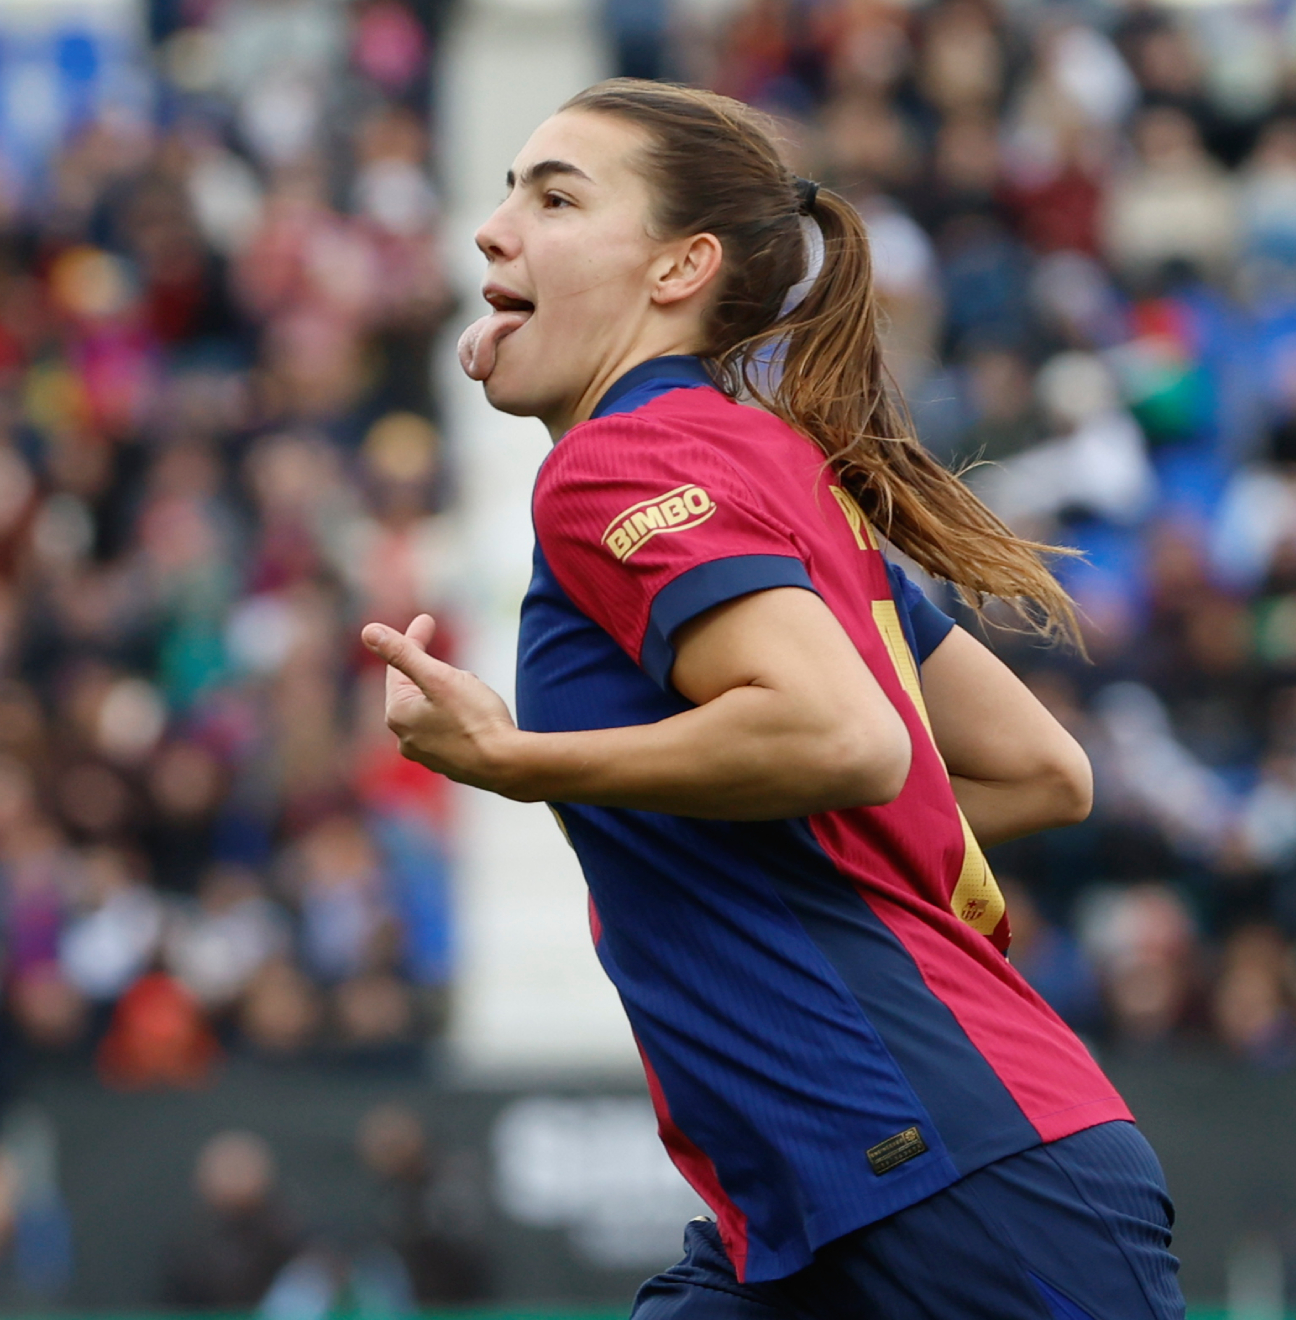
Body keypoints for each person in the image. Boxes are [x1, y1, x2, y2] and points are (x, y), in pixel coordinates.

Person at [360, 80, 1185, 1319]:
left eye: (557, 196)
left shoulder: (621, 460)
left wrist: (516, 758)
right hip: (854, 1193)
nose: (494, 227)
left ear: (678, 269)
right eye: (507, 190)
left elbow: (838, 735)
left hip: (943, 1175)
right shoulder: (764, 462)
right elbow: (1038, 774)